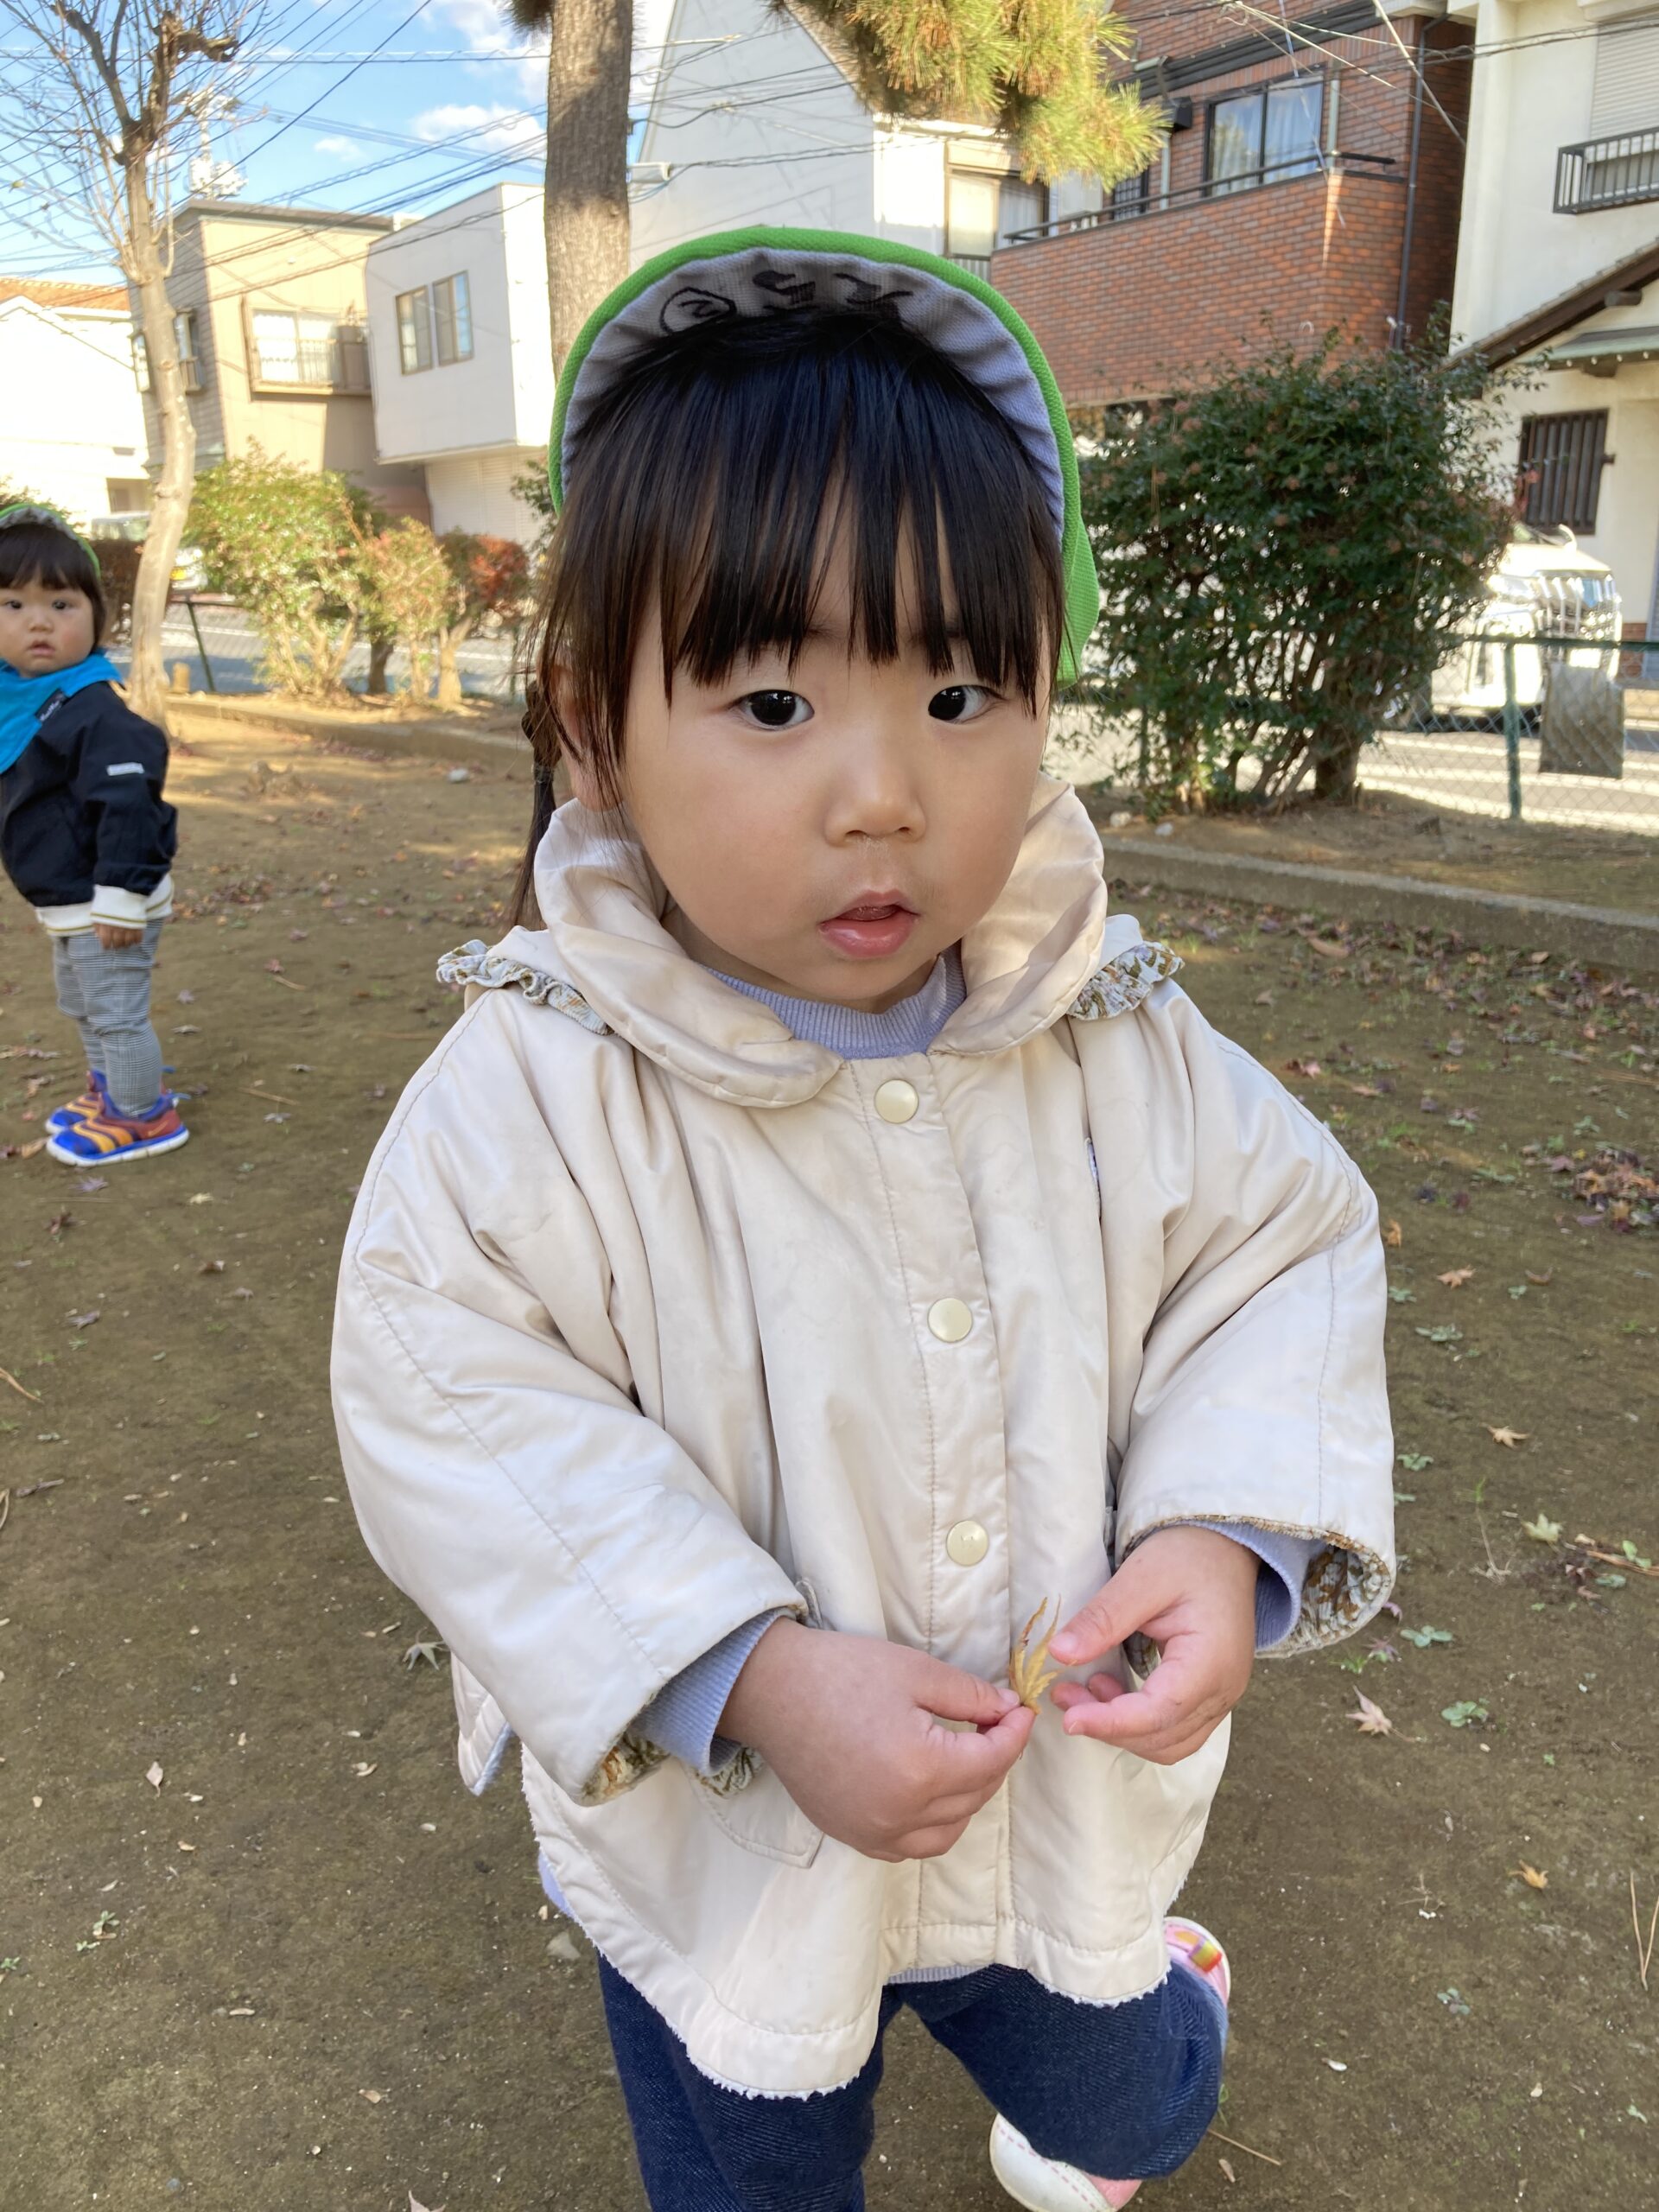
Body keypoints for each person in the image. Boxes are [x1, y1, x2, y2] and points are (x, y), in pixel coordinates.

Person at [332, 231, 1393, 2212]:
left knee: (1130, 2107)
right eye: (769, 698)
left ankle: (1165, 2014)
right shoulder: (536, 1092)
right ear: (592, 720)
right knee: (748, 2173)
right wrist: (740, 1666)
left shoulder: (1114, 1033)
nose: (883, 790)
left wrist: (1224, 1527)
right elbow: (446, 1388)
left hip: (1052, 1805)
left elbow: (1280, 1250)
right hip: (729, 1861)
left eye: (960, 688)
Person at [0, 504, 187, 1164]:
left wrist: (121, 895)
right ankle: (113, 1092)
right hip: (69, 899)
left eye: (62, 604)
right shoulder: (20, 702)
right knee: (79, 1003)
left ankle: (143, 1116)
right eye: (13, 605)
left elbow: (131, 807)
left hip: (108, 899)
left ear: (96, 617)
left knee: (115, 1012)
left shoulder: (94, 711)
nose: (39, 622)